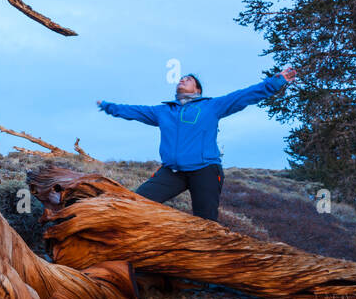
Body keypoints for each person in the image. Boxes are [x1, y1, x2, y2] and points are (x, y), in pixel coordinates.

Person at [97, 67, 297, 221]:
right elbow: (134, 111)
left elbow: (245, 95)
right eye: (181, 79)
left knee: (205, 224)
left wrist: (277, 81)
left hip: (205, 171)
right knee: (135, 202)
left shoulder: (211, 106)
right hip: (172, 172)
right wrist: (107, 106)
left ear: (198, 90)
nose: (182, 80)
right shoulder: (163, 111)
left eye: (189, 79)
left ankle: (208, 269)